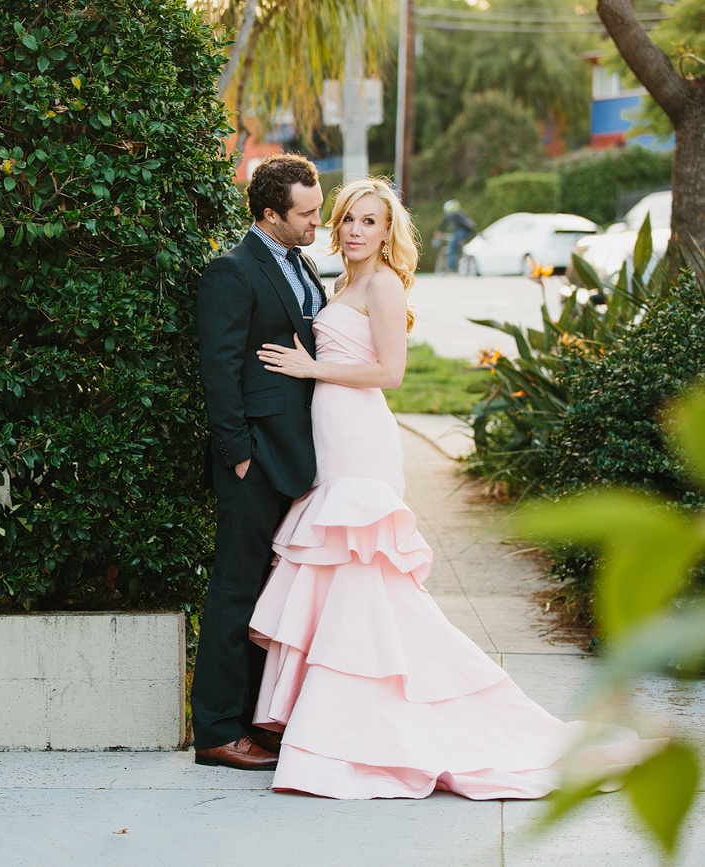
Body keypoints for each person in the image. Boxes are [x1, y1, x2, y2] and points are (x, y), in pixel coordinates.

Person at [247, 178, 651, 799]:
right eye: (349, 218)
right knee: (340, 573)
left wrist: (311, 366)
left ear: (388, 232)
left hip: (361, 440)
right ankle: (344, 720)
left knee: (364, 574)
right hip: (331, 437)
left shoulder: (381, 284)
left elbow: (392, 373)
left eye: (370, 221)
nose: (355, 230)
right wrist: (310, 359)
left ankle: (366, 724)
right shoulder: (341, 283)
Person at [192, 153, 326, 770]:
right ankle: (218, 732)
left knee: (273, 594)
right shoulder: (232, 270)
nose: (316, 224)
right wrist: (237, 454)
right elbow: (219, 370)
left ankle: (255, 720)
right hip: (254, 460)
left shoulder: (300, 262)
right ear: (270, 214)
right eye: (306, 214)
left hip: (296, 456)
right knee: (236, 590)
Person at [438, 199, 475, 272]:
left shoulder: (451, 214)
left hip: (459, 232)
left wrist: (439, 232)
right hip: (467, 233)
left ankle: (451, 268)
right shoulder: (461, 213)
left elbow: (443, 224)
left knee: (451, 249)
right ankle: (463, 259)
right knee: (460, 248)